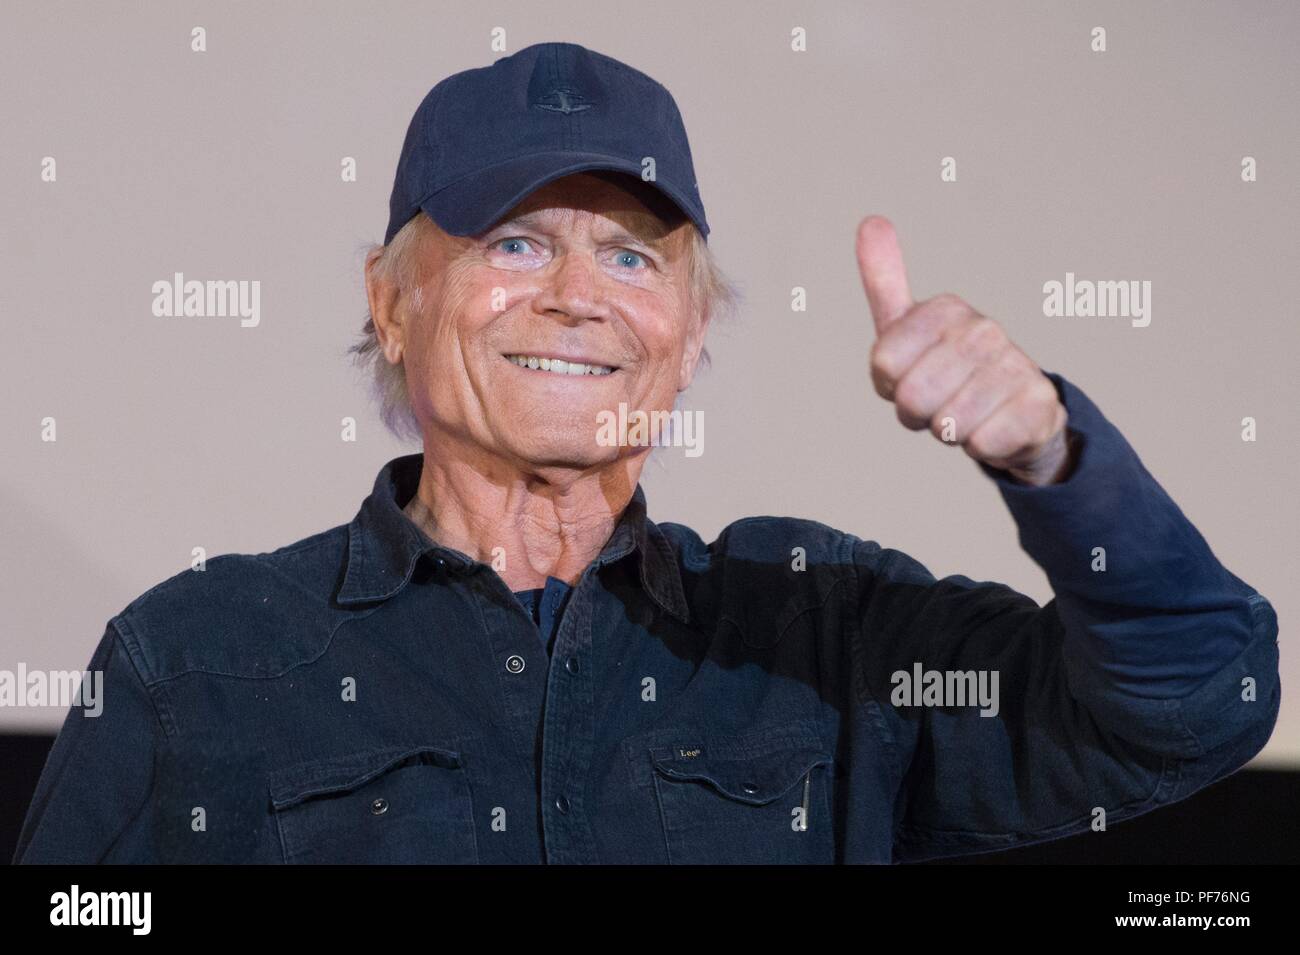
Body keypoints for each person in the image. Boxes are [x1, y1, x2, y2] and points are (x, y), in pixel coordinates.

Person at [15, 41, 1279, 865]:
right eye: (514, 242)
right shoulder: (196, 661)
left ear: (686, 334)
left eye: (632, 255)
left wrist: (1051, 456)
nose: (580, 294)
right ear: (391, 303)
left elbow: (1192, 709)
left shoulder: (823, 634)